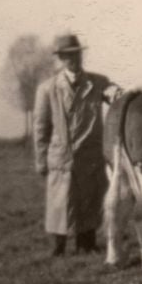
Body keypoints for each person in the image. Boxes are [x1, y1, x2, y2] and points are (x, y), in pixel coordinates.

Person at [33, 33, 121, 256]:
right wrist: (41, 160)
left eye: (77, 54)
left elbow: (115, 94)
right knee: (59, 204)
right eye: (68, 56)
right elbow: (41, 129)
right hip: (61, 156)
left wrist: (118, 93)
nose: (74, 59)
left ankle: (87, 245)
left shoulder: (98, 82)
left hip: (90, 157)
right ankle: (58, 247)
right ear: (61, 59)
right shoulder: (48, 89)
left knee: (89, 201)